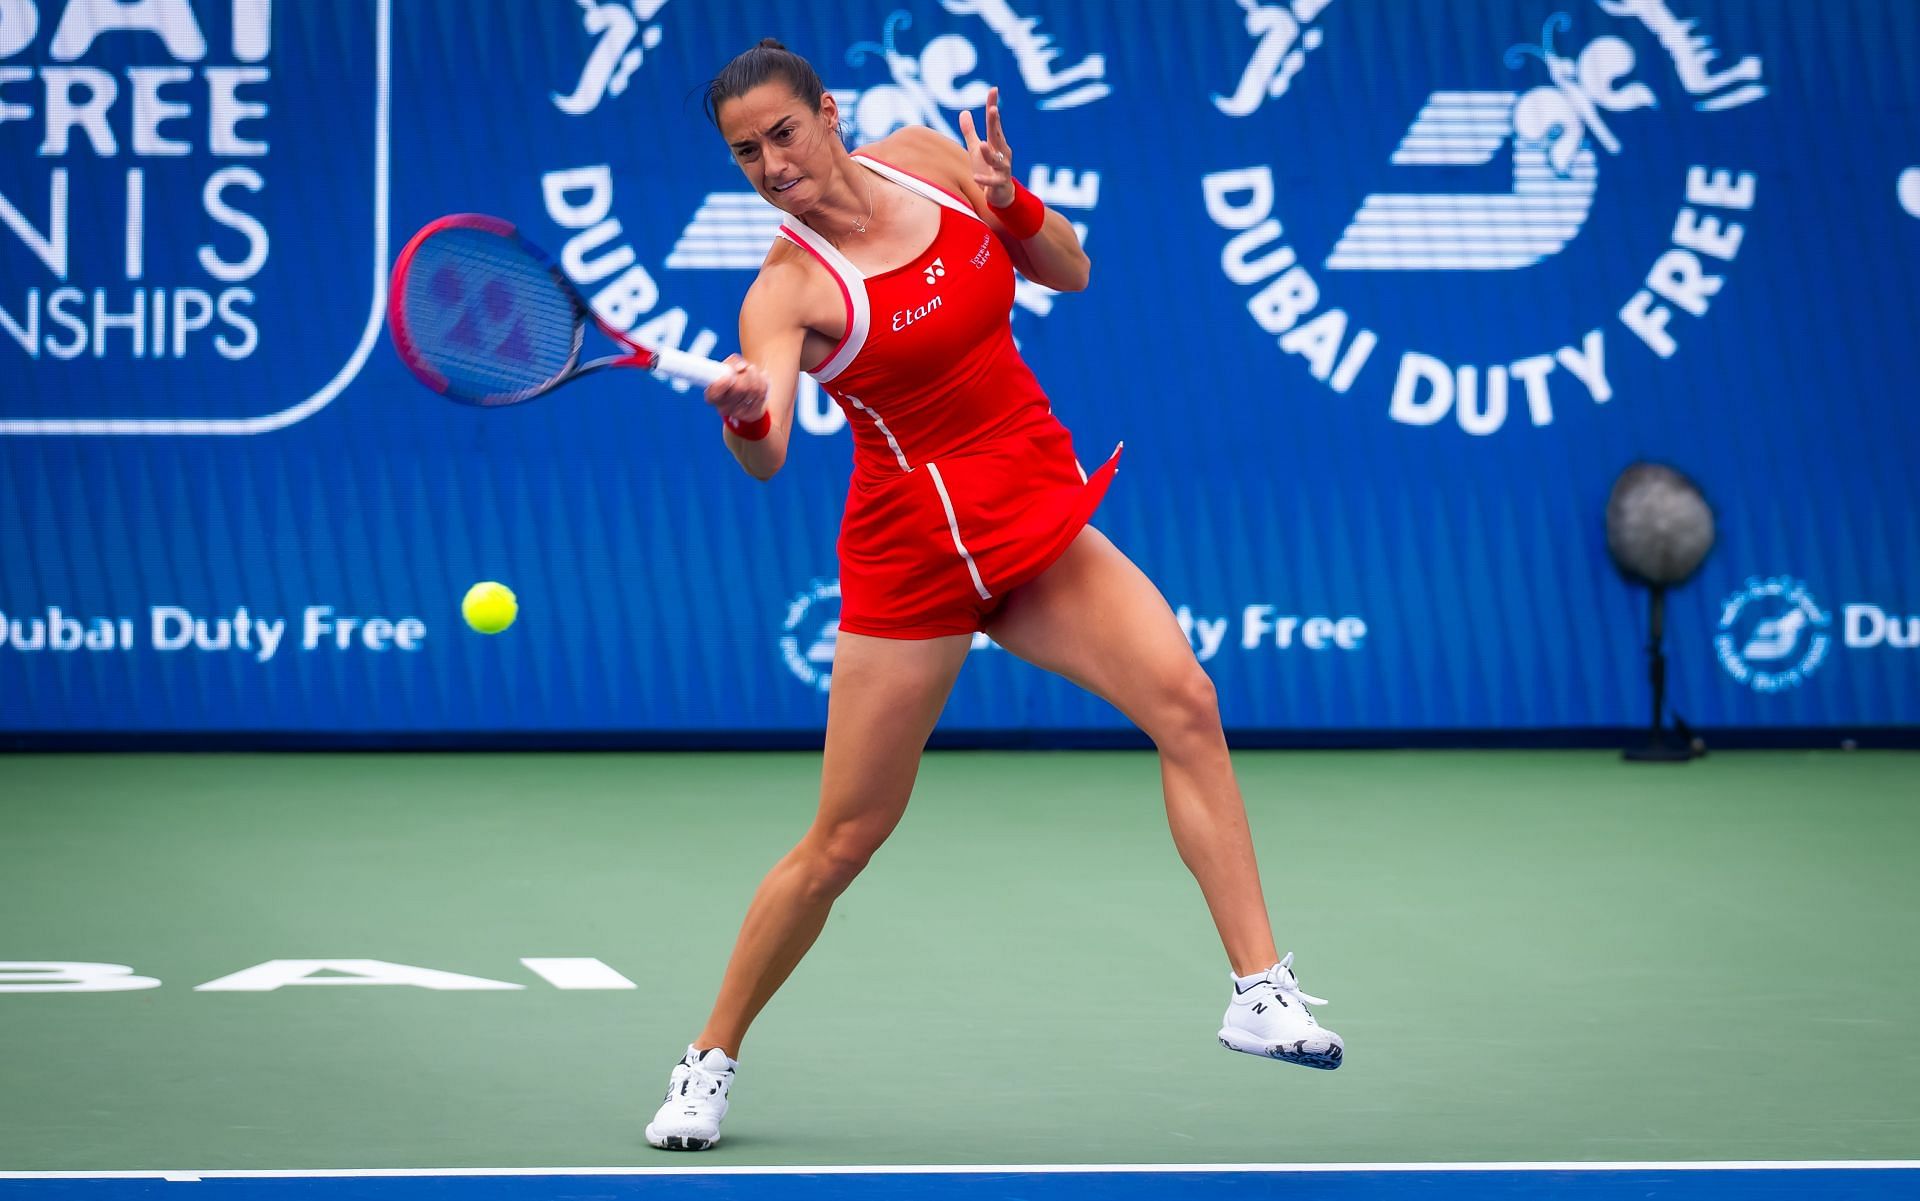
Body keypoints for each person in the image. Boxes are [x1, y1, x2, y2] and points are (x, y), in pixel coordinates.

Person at [645, 39, 1342, 1153]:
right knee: (845, 838)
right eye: (745, 153)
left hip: (1030, 515)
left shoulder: (927, 158)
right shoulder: (785, 292)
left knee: (1186, 701)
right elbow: (770, 453)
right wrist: (741, 408)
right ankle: (708, 1057)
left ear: (829, 113)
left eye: (782, 133)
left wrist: (1010, 200)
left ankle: (1258, 989)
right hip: (912, 558)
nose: (772, 164)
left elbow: (1068, 270)